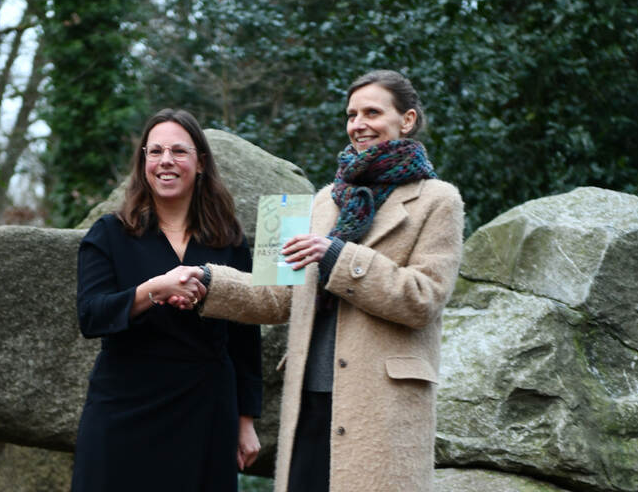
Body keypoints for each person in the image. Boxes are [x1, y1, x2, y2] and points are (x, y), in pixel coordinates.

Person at [166, 70, 463, 492]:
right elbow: (276, 296)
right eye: (351, 114)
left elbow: (423, 299)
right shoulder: (324, 202)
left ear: (408, 120)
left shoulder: (438, 200)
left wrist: (338, 256)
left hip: (382, 405)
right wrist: (208, 281)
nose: (358, 123)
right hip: (309, 398)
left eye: (372, 112)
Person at [71, 108, 262, 492]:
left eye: (179, 151)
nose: (166, 162)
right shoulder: (109, 233)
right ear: (143, 161)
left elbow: (245, 337)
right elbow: (91, 316)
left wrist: (246, 421)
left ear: (201, 162)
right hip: (124, 407)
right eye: (155, 151)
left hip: (205, 407)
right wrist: (154, 289)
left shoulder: (229, 240)